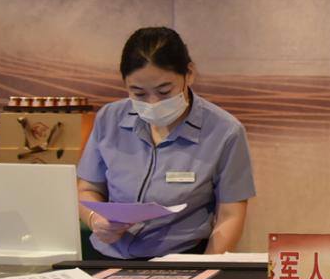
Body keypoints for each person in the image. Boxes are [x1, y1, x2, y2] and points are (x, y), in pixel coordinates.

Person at [76, 27, 256, 259]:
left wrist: (207, 267)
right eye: (138, 93)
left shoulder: (225, 132)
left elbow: (231, 215)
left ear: (189, 74)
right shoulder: (109, 119)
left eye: (164, 91)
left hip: (183, 259)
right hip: (109, 257)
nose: (152, 103)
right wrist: (95, 219)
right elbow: (88, 189)